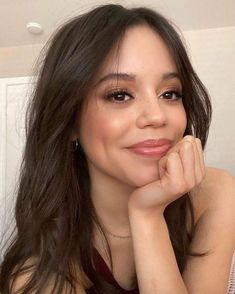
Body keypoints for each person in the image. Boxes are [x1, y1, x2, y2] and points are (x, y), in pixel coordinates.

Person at [0, 4, 234, 294]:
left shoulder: (216, 192)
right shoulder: (36, 273)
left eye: (170, 93)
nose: (157, 115)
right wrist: (146, 213)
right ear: (69, 119)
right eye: (119, 94)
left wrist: (147, 215)